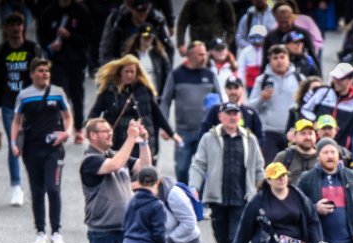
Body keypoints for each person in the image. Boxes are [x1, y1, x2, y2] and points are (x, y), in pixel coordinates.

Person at [188, 102, 266, 243]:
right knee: (221, 240)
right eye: (228, 113)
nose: (232, 117)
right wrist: (194, 187)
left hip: (242, 198)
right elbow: (199, 164)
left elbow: (259, 168)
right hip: (217, 199)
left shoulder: (249, 139)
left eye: (235, 113)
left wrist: (262, 192)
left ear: (240, 117)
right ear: (220, 117)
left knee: (234, 238)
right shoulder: (209, 138)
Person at [10, 58, 73, 243]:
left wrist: (67, 133)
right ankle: (40, 233)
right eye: (40, 70)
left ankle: (56, 233)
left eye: (47, 70)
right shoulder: (24, 95)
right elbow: (17, 121)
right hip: (31, 148)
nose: (44, 74)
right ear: (32, 74)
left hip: (54, 148)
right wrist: (13, 143)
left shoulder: (58, 93)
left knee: (53, 189)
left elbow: (67, 116)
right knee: (37, 191)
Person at [0, 12, 42, 207]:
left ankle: (36, 185)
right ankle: (16, 187)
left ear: (23, 27)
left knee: (33, 146)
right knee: (14, 145)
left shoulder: (33, 49)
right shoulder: (0, 51)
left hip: (32, 105)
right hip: (10, 105)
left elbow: (42, 75)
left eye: (18, 24)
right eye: (11, 24)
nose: (15, 28)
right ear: (5, 28)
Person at [231, 162, 322, 243]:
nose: (282, 179)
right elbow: (245, 227)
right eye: (277, 176)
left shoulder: (299, 196)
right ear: (269, 180)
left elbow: (312, 223)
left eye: (283, 175)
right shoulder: (259, 200)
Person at [89, 54, 177, 158]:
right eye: (126, 71)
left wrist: (172, 134)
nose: (129, 75)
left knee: (141, 166)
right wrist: (90, 130)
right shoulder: (109, 91)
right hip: (117, 140)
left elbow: (157, 113)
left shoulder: (143, 89)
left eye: (132, 72)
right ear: (120, 72)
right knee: (118, 166)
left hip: (139, 140)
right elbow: (95, 112)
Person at [160, 40, 221, 184]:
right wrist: (164, 126)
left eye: (205, 54)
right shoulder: (176, 75)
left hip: (205, 132)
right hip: (183, 132)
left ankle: (201, 195)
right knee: (181, 168)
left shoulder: (210, 75)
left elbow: (220, 102)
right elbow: (165, 101)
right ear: (190, 55)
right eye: (200, 54)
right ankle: (185, 193)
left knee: (206, 169)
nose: (204, 57)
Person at [38, 0, 93, 144]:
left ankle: (78, 128)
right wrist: (50, 46)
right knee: (60, 94)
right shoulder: (49, 11)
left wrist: (70, 36)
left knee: (77, 95)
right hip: (57, 61)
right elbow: (42, 36)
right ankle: (60, 127)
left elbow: (88, 37)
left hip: (77, 61)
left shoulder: (81, 11)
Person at [299, 62, 353, 153]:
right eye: (335, 77)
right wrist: (313, 122)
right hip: (314, 147)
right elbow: (303, 109)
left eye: (341, 79)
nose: (336, 81)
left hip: (340, 151)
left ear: (351, 80)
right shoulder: (322, 91)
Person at [250, 45, 305, 163]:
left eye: (282, 57)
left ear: (288, 58)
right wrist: (261, 98)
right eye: (275, 58)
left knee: (292, 168)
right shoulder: (262, 80)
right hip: (269, 133)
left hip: (293, 132)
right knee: (270, 168)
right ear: (269, 60)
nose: (279, 61)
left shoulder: (299, 78)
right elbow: (250, 108)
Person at [100, 0, 175, 65]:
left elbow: (168, 48)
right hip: (125, 68)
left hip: (151, 68)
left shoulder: (156, 21)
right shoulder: (117, 22)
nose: (143, 13)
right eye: (139, 10)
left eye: (145, 9)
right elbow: (107, 51)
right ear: (130, 8)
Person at [198, 74, 264, 137]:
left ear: (242, 89)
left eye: (236, 88)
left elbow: (259, 136)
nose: (233, 91)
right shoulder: (215, 110)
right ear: (225, 90)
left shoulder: (250, 113)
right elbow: (204, 132)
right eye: (229, 88)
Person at [263, 1, 319, 72]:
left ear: (292, 18)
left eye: (286, 22)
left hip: (300, 71)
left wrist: (318, 75)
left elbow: (313, 56)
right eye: (281, 22)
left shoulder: (303, 34)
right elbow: (265, 60)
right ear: (276, 19)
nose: (283, 25)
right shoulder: (270, 36)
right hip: (276, 72)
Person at [123, 23, 173, 102]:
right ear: (140, 37)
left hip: (156, 94)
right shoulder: (131, 55)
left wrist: (165, 95)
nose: (147, 40)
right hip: (137, 95)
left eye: (150, 37)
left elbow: (168, 74)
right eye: (145, 37)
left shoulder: (159, 54)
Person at [271, 117, 318, 183]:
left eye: (310, 133)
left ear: (315, 136)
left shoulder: (322, 157)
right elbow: (271, 182)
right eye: (303, 133)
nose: (307, 137)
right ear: (294, 137)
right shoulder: (283, 157)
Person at [238, 23, 268, 91]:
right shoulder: (246, 51)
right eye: (254, 37)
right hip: (250, 83)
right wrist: (241, 82)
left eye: (259, 37)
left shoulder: (267, 49)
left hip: (264, 80)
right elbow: (241, 68)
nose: (256, 41)